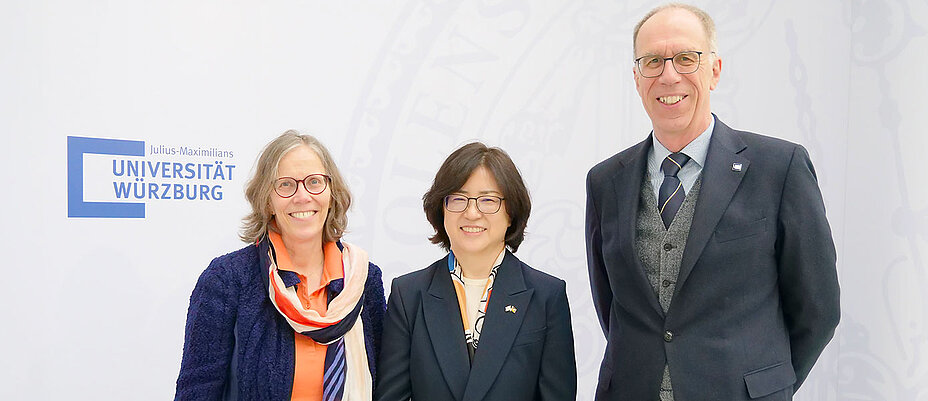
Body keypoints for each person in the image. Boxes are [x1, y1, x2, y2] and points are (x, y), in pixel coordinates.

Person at [585, 4, 840, 401]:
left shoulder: (780, 168)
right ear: (637, 79)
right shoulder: (605, 181)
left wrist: (766, 384)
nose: (669, 75)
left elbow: (818, 309)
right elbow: (611, 307)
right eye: (652, 61)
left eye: (686, 58)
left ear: (715, 70)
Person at [175, 131, 385, 400]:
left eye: (314, 182)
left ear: (331, 193)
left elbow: (382, 385)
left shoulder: (364, 278)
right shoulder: (227, 279)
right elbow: (198, 389)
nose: (302, 196)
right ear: (267, 200)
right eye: (285, 185)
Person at [376, 143, 576, 401]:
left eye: (488, 200)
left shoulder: (546, 295)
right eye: (458, 199)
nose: (472, 213)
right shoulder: (408, 295)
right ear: (441, 209)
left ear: (511, 212)